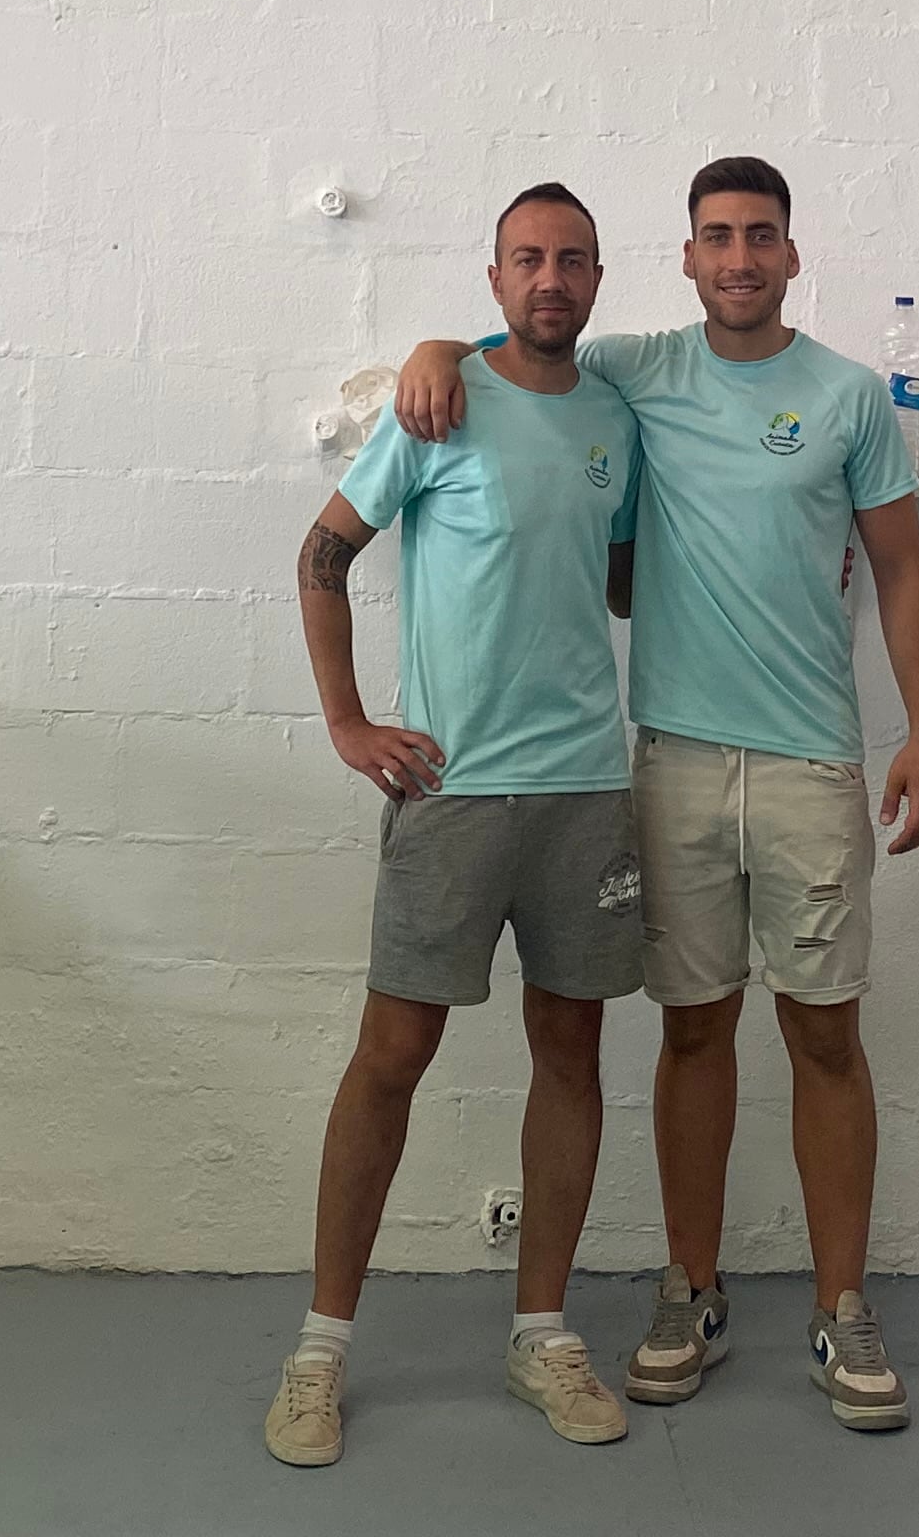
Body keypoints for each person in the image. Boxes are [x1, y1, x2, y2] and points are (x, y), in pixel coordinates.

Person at [395, 154, 919, 1435]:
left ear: (793, 257)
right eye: (716, 238)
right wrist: (434, 340)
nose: (741, 258)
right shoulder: (638, 370)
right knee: (693, 1030)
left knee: (824, 1035)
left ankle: (844, 1303)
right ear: (687, 260)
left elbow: (904, 572)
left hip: (815, 762)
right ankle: (689, 1289)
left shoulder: (852, 397)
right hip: (673, 761)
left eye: (762, 236)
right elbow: (523, 341)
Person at [265, 184, 647, 1470]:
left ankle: (542, 1332)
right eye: (528, 260)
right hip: (452, 788)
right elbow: (324, 558)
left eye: (573, 261)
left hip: (588, 789)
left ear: (599, 280)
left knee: (572, 1053)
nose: (552, 279)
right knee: (391, 1055)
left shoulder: (614, 419)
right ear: (493, 282)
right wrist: (349, 722)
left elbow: (623, 577)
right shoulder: (440, 401)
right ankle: (319, 1351)